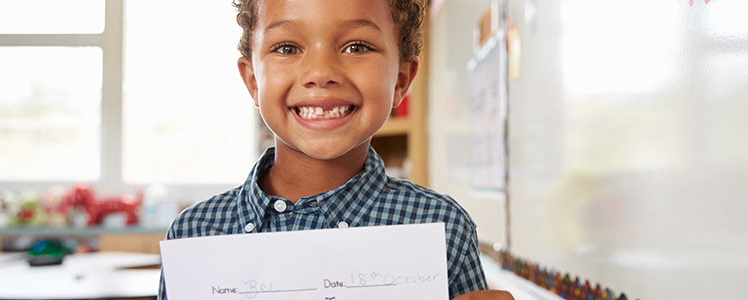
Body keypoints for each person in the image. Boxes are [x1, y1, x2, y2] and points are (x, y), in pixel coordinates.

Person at [157, 0, 513, 299]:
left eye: (356, 47)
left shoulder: (443, 228)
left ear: (401, 80)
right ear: (252, 80)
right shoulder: (194, 234)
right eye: (287, 48)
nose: (320, 72)